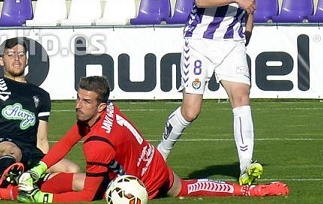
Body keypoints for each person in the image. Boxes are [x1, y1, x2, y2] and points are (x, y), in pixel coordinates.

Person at [15, 76, 289, 203]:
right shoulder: (107, 110)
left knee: (75, 182)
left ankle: (6, 191)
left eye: (85, 101)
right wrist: (38, 168)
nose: (78, 105)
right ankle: (249, 191)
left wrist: (43, 199)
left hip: (136, 184)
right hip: (156, 167)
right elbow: (65, 143)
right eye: (78, 97)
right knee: (190, 188)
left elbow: (87, 195)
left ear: (100, 106)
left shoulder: (98, 142)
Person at [156, 0, 264, 187]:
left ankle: (245, 169)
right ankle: (159, 155)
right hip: (201, 40)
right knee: (191, 111)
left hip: (232, 41)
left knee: (241, 98)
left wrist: (248, 24)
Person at [0, 37, 80, 201]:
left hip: (30, 152)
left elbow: (41, 139)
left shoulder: (41, 95)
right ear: (1, 60)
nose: (16, 58)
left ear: (27, 60)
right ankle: (3, 184)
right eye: (10, 54)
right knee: (11, 150)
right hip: (0, 146)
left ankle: (14, 187)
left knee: (72, 170)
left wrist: (44, 165)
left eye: (21, 54)